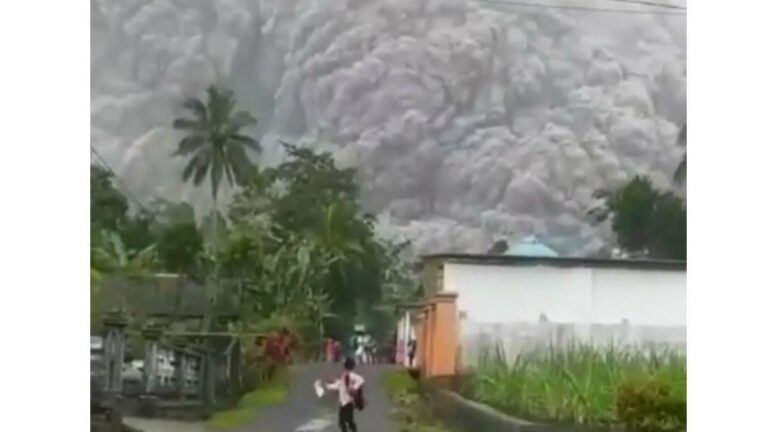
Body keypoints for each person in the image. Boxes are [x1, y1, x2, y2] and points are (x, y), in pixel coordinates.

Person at [324, 357, 365, 432]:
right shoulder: (346, 376)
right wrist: (328, 386)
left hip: (347, 402)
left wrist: (353, 388)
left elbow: (360, 381)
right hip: (346, 402)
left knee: (343, 422)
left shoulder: (349, 376)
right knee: (349, 421)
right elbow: (339, 385)